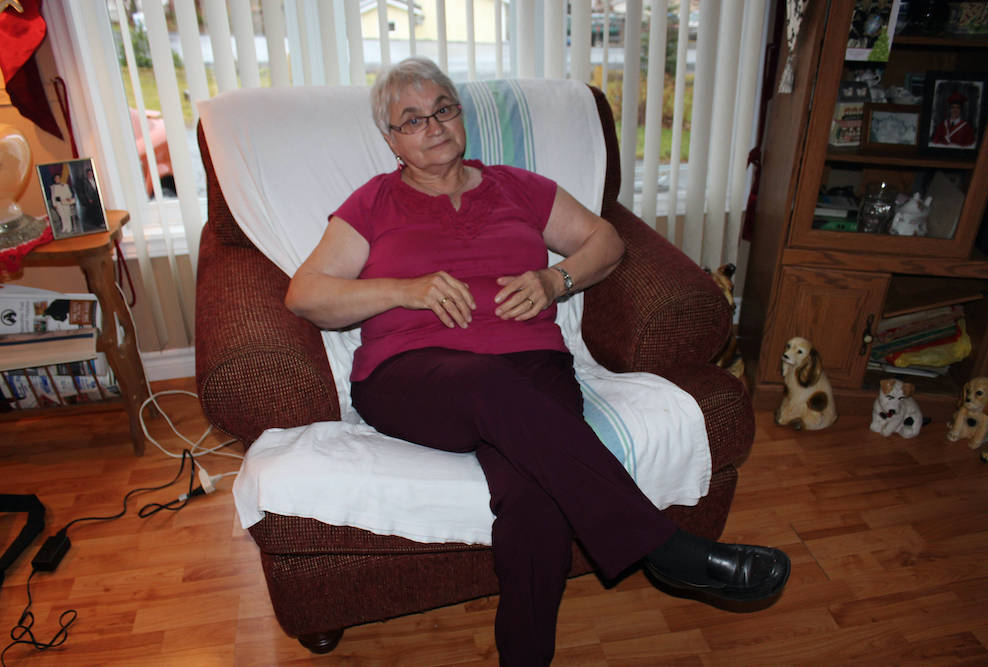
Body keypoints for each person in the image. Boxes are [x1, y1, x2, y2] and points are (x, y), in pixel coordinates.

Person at [285, 57, 790, 666]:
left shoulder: (516, 186)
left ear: (460, 114)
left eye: (443, 109)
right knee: (485, 383)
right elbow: (306, 294)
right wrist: (402, 289)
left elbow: (606, 240)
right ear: (391, 140)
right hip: (411, 375)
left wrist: (556, 280)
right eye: (412, 120)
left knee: (534, 497)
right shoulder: (372, 204)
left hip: (534, 366)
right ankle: (664, 549)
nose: (434, 126)